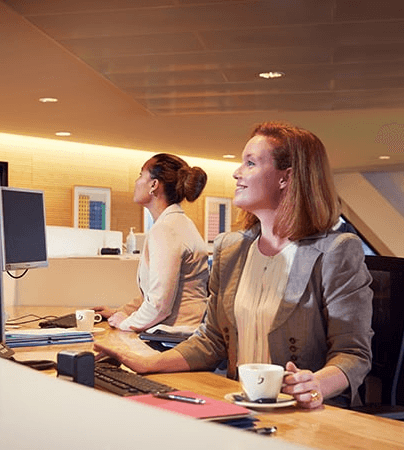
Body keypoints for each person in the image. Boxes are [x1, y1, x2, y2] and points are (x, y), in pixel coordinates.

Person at [95, 122, 374, 409]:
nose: (236, 172)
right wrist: (146, 363)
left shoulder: (336, 252)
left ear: (286, 177)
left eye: (250, 163)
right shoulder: (231, 249)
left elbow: (353, 354)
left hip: (304, 412)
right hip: (237, 402)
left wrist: (316, 385)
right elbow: (212, 340)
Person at [94, 154, 209, 333]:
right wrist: (120, 312)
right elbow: (154, 294)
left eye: (141, 175)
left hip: (173, 336)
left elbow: (159, 305)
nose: (136, 182)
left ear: (154, 185)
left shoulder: (165, 230)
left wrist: (124, 323)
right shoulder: (180, 223)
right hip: (186, 331)